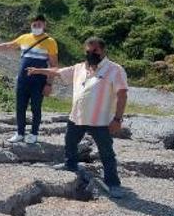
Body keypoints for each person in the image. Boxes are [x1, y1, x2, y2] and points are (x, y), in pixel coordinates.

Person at [27, 36, 128, 198]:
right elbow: (58, 71)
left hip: (100, 120)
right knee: (70, 141)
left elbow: (122, 94)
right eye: (88, 51)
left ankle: (113, 183)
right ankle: (71, 164)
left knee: (106, 152)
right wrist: (39, 71)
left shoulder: (115, 70)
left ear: (103, 50)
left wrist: (117, 119)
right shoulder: (80, 67)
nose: (91, 53)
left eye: (95, 50)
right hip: (78, 116)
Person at [0, 15, 58, 144]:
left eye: (39, 24)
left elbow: (54, 65)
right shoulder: (24, 38)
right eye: (34, 24)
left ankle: (33, 134)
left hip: (39, 81)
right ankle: (20, 133)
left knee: (36, 107)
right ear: (31, 25)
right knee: (20, 107)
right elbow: (7, 46)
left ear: (44, 25)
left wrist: (49, 84)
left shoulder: (50, 41)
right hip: (22, 79)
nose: (36, 26)